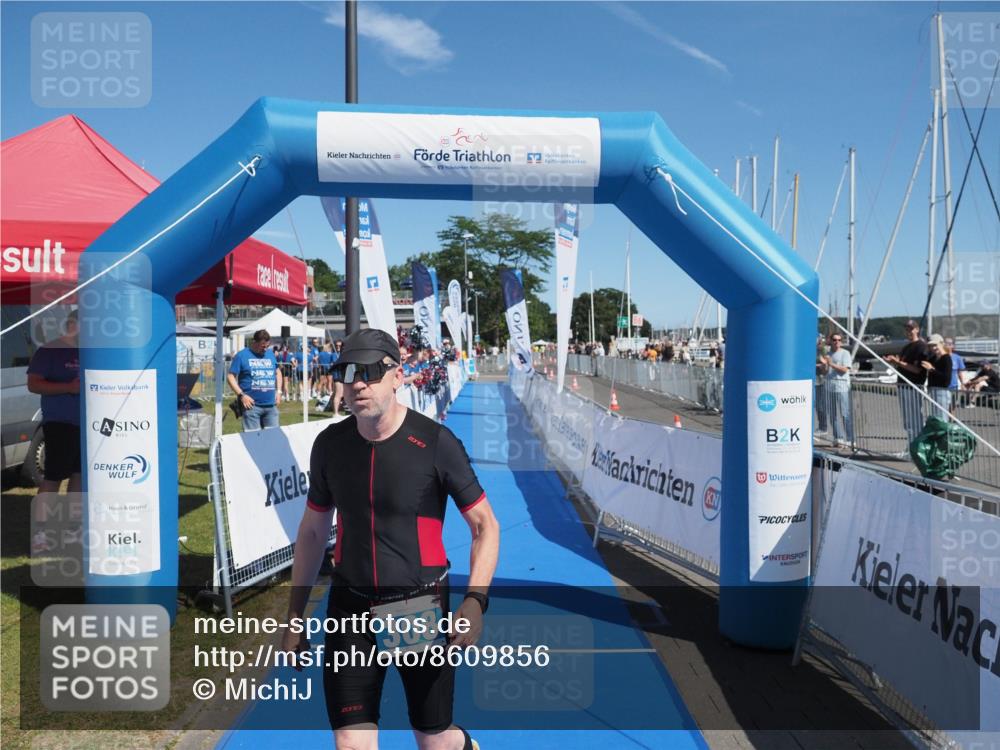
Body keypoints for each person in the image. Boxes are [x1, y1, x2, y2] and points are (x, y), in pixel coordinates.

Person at [283, 328, 499, 750]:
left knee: (433, 738)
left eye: (369, 372)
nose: (357, 382)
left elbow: (485, 526)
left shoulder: (435, 443)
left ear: (398, 377)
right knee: (350, 740)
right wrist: (295, 616)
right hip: (350, 607)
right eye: (347, 371)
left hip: (416, 606)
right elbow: (311, 532)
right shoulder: (329, 445)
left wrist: (476, 600)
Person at [27, 311, 81, 494]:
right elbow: (33, 384)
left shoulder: (88, 351)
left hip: (86, 424)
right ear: (73, 326)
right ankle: (42, 521)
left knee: (79, 474)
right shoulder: (50, 351)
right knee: (54, 476)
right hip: (60, 424)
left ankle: (74, 520)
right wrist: (68, 387)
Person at [227, 329, 282, 431]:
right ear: (254, 342)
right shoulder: (242, 355)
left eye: (267, 346)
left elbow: (278, 372)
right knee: (252, 440)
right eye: (262, 346)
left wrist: (278, 392)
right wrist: (241, 395)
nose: (265, 349)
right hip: (251, 407)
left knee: (273, 439)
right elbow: (230, 376)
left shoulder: (270, 354)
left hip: (271, 406)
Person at [885, 319, 929, 444]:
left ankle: (917, 446)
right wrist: (893, 362)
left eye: (911, 328)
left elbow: (917, 369)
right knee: (907, 420)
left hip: (913, 386)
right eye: (907, 329)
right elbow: (903, 366)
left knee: (914, 419)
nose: (908, 331)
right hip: (903, 386)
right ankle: (911, 446)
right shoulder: (906, 347)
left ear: (917, 330)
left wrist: (898, 362)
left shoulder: (921, 346)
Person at [823, 333, 853, 446]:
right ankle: (838, 438)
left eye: (839, 340)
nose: (837, 342)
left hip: (842, 387)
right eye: (835, 340)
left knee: (845, 413)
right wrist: (824, 366)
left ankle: (850, 439)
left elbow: (845, 369)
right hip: (830, 387)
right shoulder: (828, 354)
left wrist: (831, 364)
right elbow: (826, 372)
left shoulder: (845, 353)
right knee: (833, 414)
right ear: (830, 341)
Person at [922, 334, 953, 419]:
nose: (933, 348)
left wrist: (932, 369)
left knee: (941, 419)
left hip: (942, 391)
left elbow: (946, 379)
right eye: (931, 346)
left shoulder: (946, 358)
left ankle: (944, 432)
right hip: (933, 391)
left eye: (935, 345)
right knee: (936, 418)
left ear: (941, 343)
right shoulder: (933, 358)